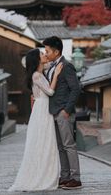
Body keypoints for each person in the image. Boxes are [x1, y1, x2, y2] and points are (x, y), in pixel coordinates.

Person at [8, 48, 63, 192]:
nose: (45, 55)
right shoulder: (36, 76)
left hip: (41, 108)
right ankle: (42, 177)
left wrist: (53, 63)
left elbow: (50, 64)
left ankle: (45, 174)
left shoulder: (39, 72)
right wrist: (56, 75)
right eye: (42, 54)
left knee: (45, 142)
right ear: (37, 60)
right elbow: (50, 91)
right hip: (43, 109)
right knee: (44, 142)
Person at [42, 36, 82, 190]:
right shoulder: (52, 66)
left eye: (47, 51)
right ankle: (65, 177)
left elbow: (76, 89)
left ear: (56, 51)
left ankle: (75, 178)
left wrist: (67, 109)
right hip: (54, 111)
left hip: (63, 112)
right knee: (60, 146)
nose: (46, 54)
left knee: (68, 145)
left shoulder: (67, 66)